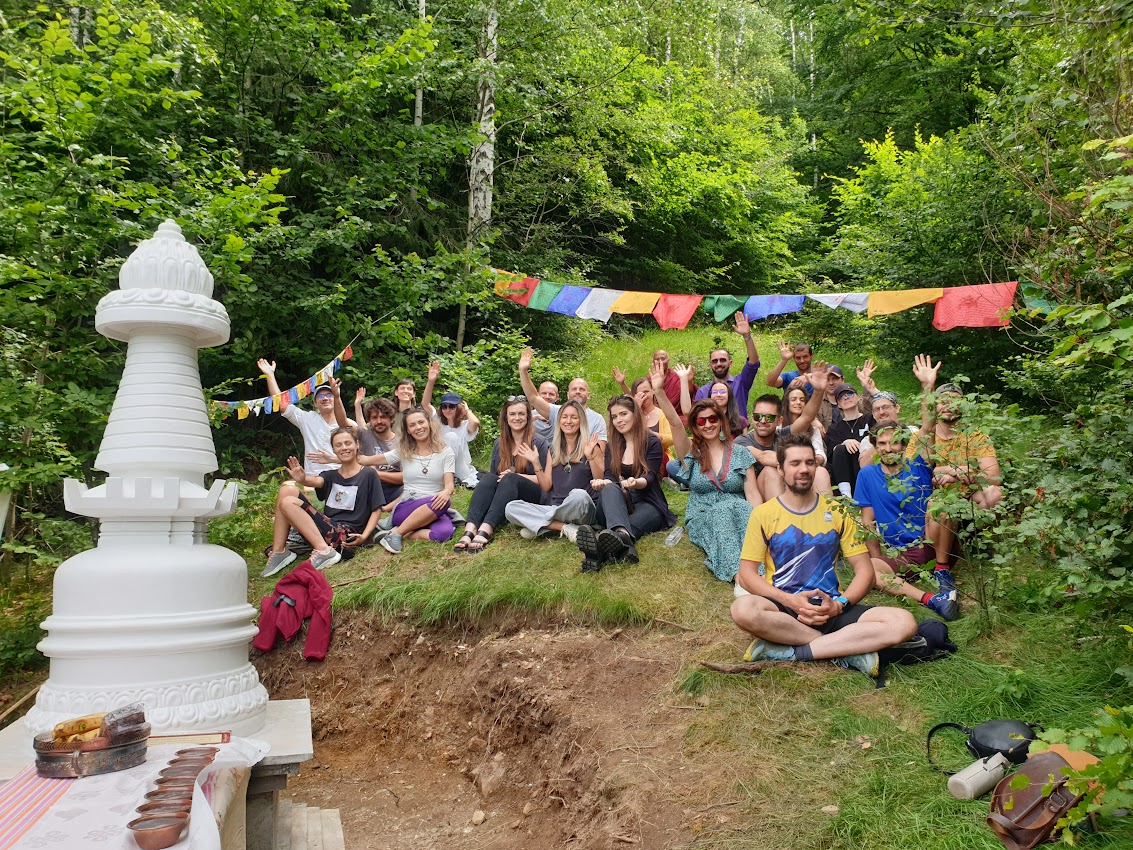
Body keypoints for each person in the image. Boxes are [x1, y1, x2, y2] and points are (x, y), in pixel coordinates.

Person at [731, 433, 919, 678]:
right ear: (780, 468)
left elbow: (865, 571)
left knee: (904, 622)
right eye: (795, 463)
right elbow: (746, 574)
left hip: (831, 606)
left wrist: (840, 605)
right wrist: (790, 601)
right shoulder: (763, 514)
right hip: (785, 608)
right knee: (743, 610)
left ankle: (800, 651)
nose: (804, 469)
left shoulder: (836, 510)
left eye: (809, 462)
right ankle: (844, 648)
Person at [856, 355, 959, 620]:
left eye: (894, 443)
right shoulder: (867, 475)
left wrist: (927, 386)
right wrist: (879, 557)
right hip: (899, 554)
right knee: (867, 571)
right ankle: (930, 599)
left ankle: (942, 570)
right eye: (882, 444)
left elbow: (927, 426)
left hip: (930, 542)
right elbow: (867, 522)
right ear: (876, 447)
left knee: (941, 506)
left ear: (903, 444)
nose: (888, 449)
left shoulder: (918, 464)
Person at [655, 366, 761, 585]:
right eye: (701, 421)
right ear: (695, 426)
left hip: (737, 508)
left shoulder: (740, 453)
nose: (708, 424)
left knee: (745, 513)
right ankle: (740, 578)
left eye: (712, 419)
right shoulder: (692, 451)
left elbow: (752, 495)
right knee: (723, 514)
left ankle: (760, 572)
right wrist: (659, 392)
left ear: (721, 420)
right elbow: (675, 422)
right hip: (704, 513)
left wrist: (762, 521)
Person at [907, 383, 1003, 582]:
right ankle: (942, 553)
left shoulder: (975, 436)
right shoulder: (921, 436)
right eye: (943, 401)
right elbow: (912, 473)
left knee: (994, 494)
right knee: (941, 505)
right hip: (933, 499)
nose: (948, 405)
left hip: (967, 497)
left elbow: (993, 476)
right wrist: (955, 470)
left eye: (954, 401)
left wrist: (964, 474)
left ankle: (970, 539)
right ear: (934, 405)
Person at [573, 395, 676, 572]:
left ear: (635, 414)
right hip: (618, 503)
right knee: (609, 488)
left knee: (623, 532)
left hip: (648, 502)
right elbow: (610, 476)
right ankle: (621, 539)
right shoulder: (613, 445)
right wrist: (602, 482)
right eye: (614, 417)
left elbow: (650, 477)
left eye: (623, 414)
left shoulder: (651, 442)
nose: (619, 420)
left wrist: (635, 482)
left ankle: (600, 551)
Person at [263, 427, 384, 576]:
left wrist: (365, 536)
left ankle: (324, 551)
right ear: (333, 449)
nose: (344, 448)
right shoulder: (330, 475)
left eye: (348, 443)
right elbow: (316, 481)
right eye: (338, 445)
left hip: (346, 536)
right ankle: (279, 551)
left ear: (357, 445)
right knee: (286, 490)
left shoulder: (368, 474)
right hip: (326, 530)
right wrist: (302, 479)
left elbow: (376, 509)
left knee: (288, 502)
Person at [454, 397, 546, 553]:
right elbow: (494, 478)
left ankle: (486, 529)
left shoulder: (539, 442)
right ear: (506, 418)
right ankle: (470, 529)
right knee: (489, 477)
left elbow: (545, 481)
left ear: (528, 417)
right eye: (512, 414)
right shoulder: (499, 443)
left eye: (521, 414)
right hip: (507, 492)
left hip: (533, 494)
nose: (517, 418)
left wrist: (516, 476)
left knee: (510, 477)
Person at [504, 400, 605, 541]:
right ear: (559, 421)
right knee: (511, 508)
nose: (568, 421)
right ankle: (563, 527)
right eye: (564, 417)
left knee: (579, 495)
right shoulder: (553, 449)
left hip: (582, 508)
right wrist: (536, 462)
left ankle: (543, 526)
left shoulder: (592, 446)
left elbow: (599, 480)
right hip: (555, 506)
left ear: (581, 421)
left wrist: (591, 457)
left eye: (573, 417)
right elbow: (546, 486)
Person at [359, 408, 456, 553]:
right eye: (412, 425)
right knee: (442, 504)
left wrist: (446, 492)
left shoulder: (446, 452)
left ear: (429, 423)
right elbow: (366, 460)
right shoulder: (403, 451)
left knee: (444, 533)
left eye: (421, 422)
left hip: (434, 507)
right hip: (407, 506)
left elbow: (449, 485)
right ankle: (396, 534)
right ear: (408, 431)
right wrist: (336, 457)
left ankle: (397, 532)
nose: (418, 427)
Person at [735, 361, 833, 500]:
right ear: (752, 419)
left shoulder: (784, 435)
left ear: (779, 421)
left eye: (769, 417)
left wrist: (818, 391)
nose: (762, 421)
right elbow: (764, 456)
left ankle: (826, 518)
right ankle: (783, 520)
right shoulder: (741, 441)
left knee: (821, 472)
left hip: (789, 488)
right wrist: (804, 464)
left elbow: (806, 417)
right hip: (757, 498)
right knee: (770, 471)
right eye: (758, 417)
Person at [257, 360, 354, 474]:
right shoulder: (308, 418)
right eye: (320, 396)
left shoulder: (348, 424)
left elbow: (359, 458)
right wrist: (270, 375)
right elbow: (283, 405)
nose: (325, 398)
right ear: (315, 404)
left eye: (329, 395)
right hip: (313, 478)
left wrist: (332, 459)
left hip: (343, 476)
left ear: (336, 398)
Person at [518, 347, 608, 444]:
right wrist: (523, 371)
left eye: (582, 389)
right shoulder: (557, 411)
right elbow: (533, 398)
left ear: (588, 395)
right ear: (568, 395)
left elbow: (600, 452)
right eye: (574, 389)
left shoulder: (597, 419)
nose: (578, 391)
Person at [422, 362, 480, 488]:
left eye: (452, 406)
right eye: (444, 406)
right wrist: (431, 381)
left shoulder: (464, 425)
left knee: (452, 436)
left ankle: (452, 478)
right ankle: (446, 478)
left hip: (460, 469)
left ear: (458, 408)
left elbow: (475, 422)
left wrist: (468, 410)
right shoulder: (437, 419)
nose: (447, 409)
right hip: (439, 464)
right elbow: (425, 404)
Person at [693, 312, 761, 419]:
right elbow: (696, 417)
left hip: (738, 433)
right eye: (715, 361)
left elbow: (754, 362)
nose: (719, 364)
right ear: (710, 365)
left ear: (730, 363)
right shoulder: (703, 391)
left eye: (723, 360)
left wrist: (747, 336)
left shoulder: (741, 383)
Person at [825, 382, 874, 498]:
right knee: (841, 448)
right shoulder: (834, 428)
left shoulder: (870, 419)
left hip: (867, 468)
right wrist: (845, 442)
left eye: (850, 394)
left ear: (858, 398)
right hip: (845, 474)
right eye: (841, 397)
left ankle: (865, 492)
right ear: (838, 405)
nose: (846, 397)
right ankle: (846, 496)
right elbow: (832, 455)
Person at [613, 350, 694, 412]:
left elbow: (690, 393)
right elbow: (636, 396)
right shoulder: (649, 379)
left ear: (668, 360)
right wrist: (622, 384)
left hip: (676, 414)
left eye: (663, 358)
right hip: (655, 413)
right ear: (653, 362)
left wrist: (689, 381)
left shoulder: (677, 376)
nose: (660, 362)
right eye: (657, 359)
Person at [782, 386, 827, 466]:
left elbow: (820, 454)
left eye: (802, 400)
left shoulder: (813, 428)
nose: (798, 402)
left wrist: (810, 462)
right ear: (787, 403)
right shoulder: (778, 426)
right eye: (793, 399)